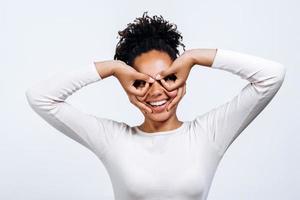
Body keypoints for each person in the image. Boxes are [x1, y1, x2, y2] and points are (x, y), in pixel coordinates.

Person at [25, 11, 286, 200]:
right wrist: (114, 69)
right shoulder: (113, 139)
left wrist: (194, 57)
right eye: (143, 82)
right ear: (129, 88)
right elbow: (41, 97)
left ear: (183, 81)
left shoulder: (209, 134)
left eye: (169, 78)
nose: (157, 91)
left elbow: (271, 76)